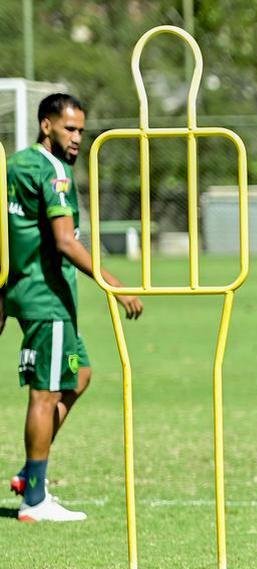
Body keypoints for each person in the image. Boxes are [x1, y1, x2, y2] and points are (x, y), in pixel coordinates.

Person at [3, 93, 142, 522]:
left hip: (21, 286)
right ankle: (35, 500)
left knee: (78, 374)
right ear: (46, 125)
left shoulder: (17, 165)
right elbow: (65, 241)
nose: (78, 137)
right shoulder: (53, 172)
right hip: (46, 296)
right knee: (44, 394)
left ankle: (30, 474)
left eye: (82, 129)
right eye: (70, 128)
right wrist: (114, 284)